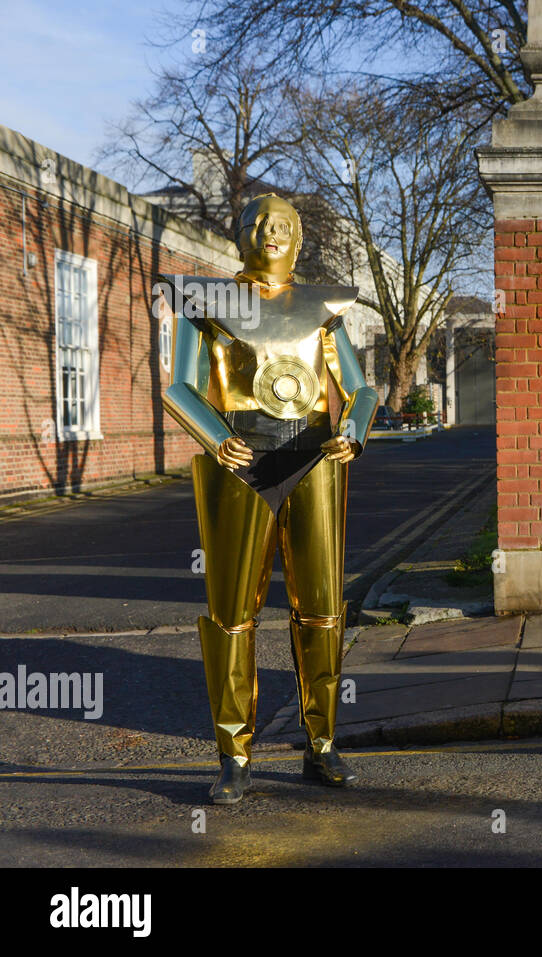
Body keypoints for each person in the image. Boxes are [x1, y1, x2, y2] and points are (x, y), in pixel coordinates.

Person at [161, 193, 379, 803]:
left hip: (313, 459)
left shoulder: (323, 309)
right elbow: (178, 385)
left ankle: (323, 744)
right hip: (238, 462)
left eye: (282, 225)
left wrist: (352, 434)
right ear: (241, 235)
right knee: (233, 612)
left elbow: (359, 390)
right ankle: (234, 752)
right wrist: (215, 435)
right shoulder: (205, 303)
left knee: (322, 607)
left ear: (299, 238)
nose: (270, 232)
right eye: (258, 223)